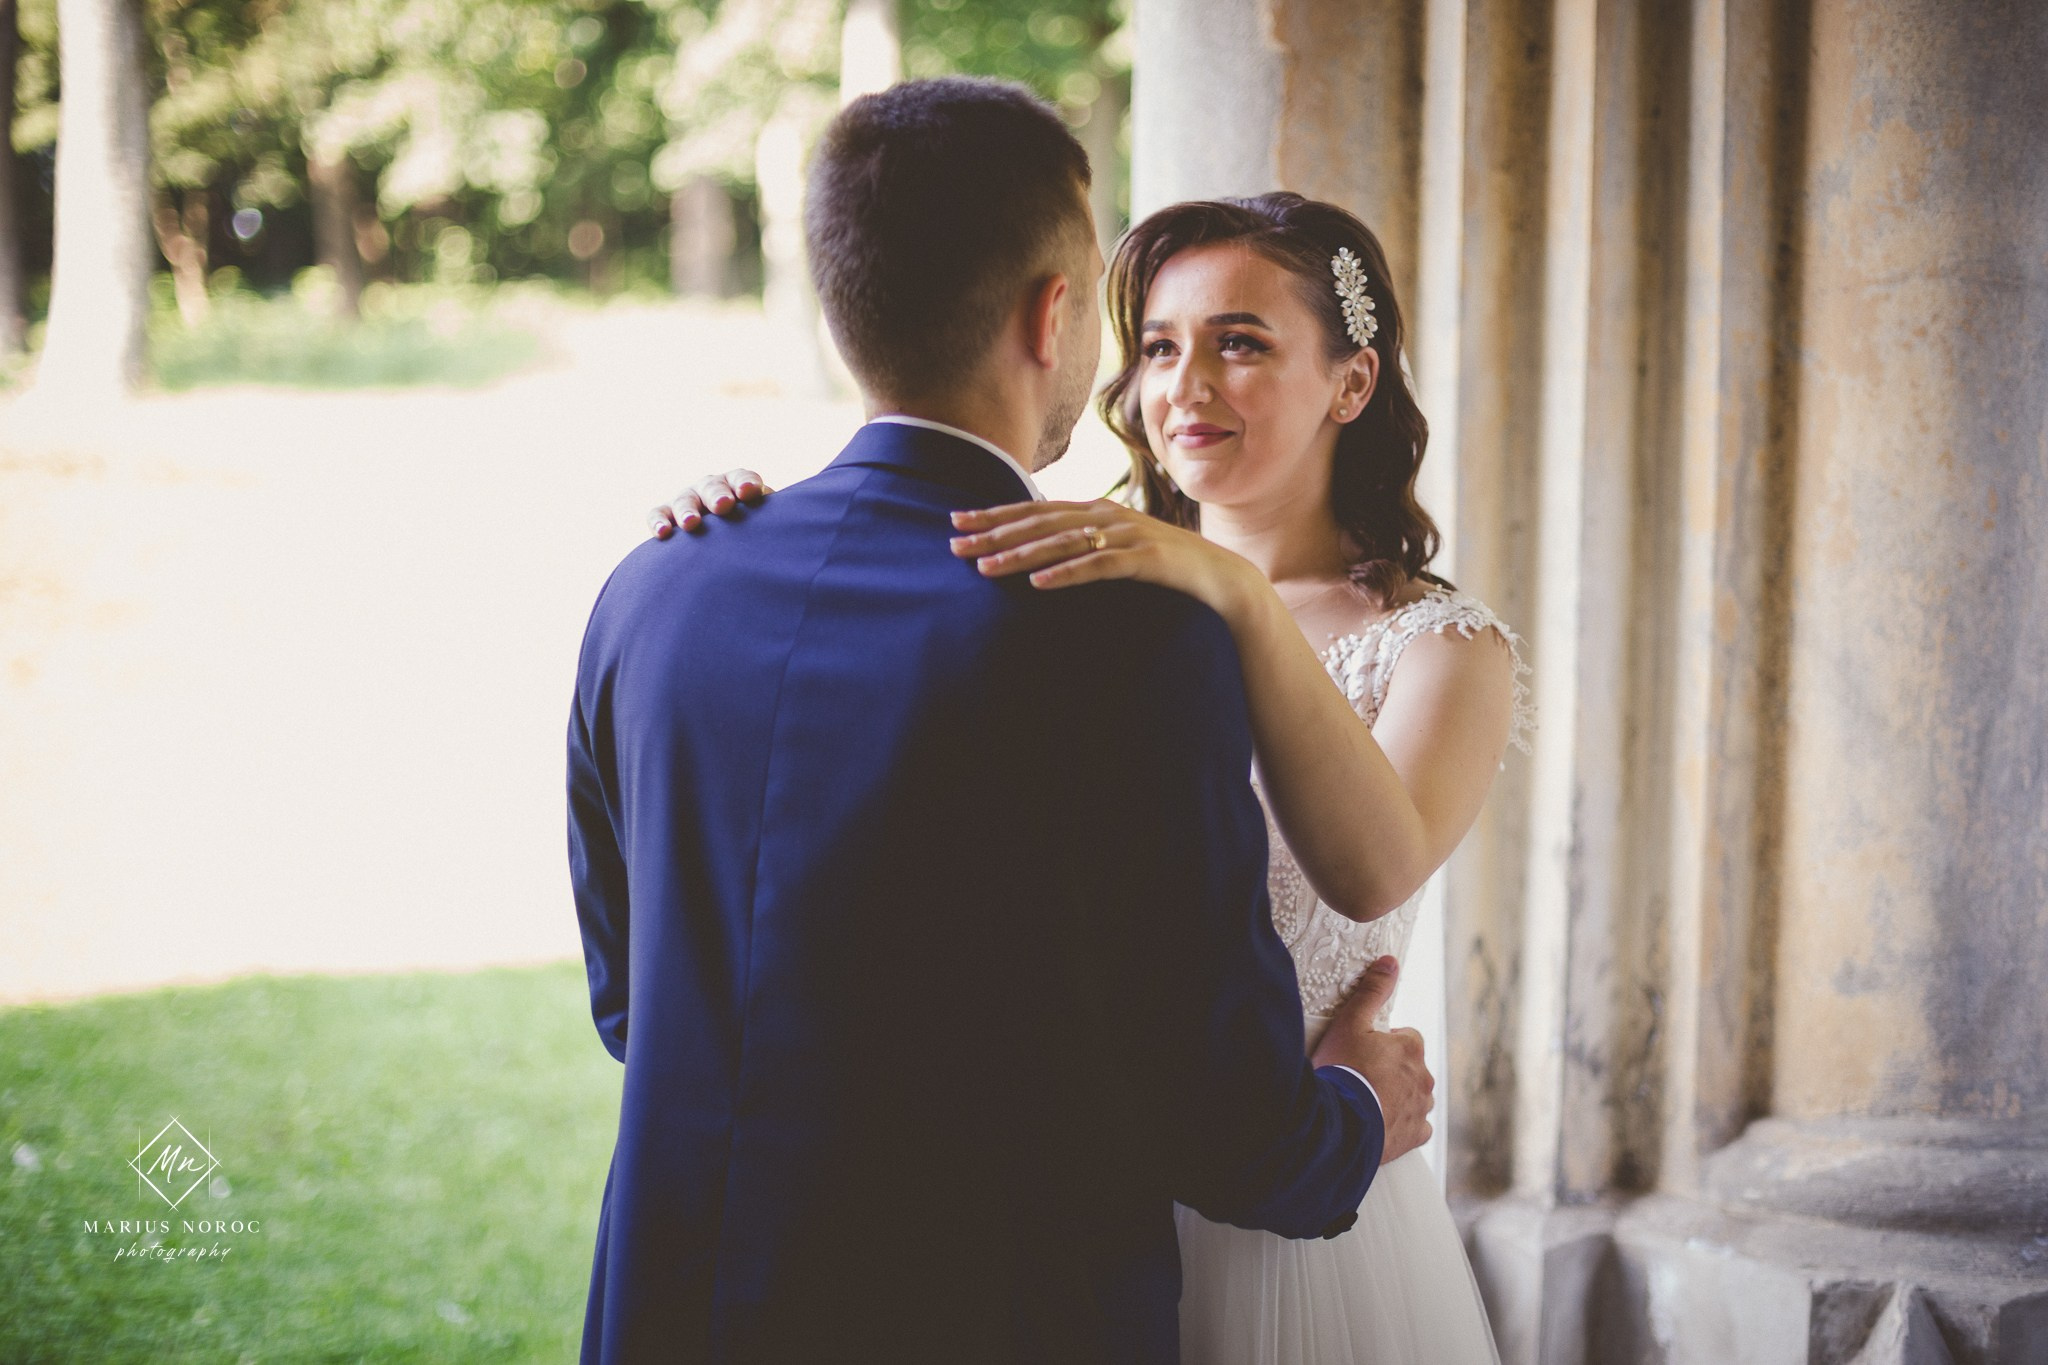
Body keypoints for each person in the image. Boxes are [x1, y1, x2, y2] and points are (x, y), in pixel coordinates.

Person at [569, 80, 1433, 1365]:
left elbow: (638, 1006)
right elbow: (1232, 1134)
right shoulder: (1125, 634)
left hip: (672, 1312)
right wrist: (1359, 1104)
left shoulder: (653, 584)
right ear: (1053, 314)